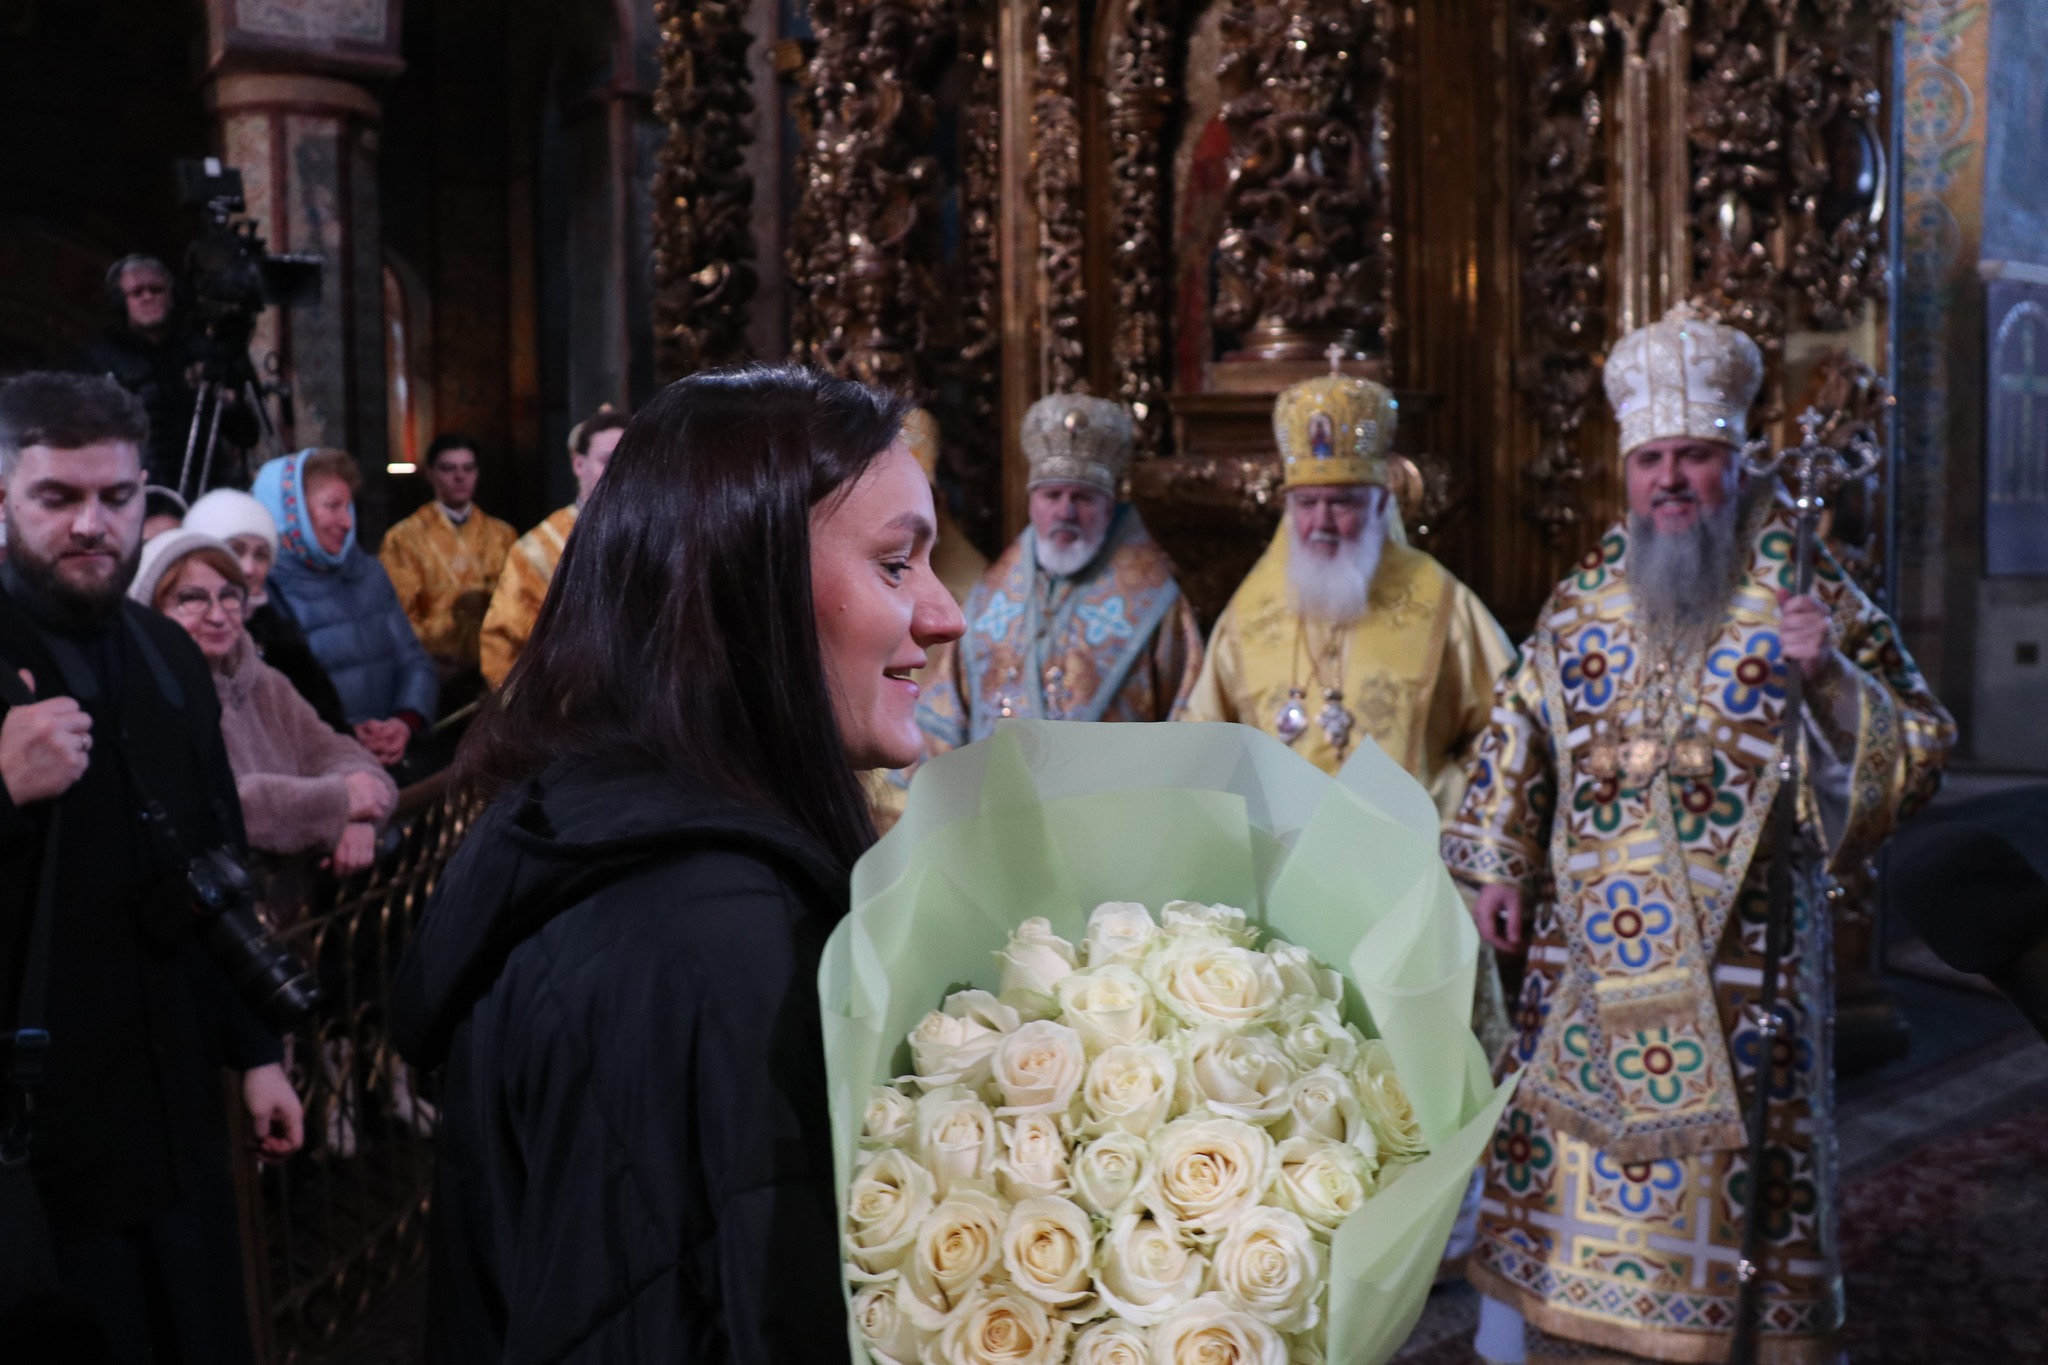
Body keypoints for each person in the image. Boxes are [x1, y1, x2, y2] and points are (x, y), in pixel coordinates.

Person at [390, 366, 963, 1361]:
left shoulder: (611, 823)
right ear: (751, 589)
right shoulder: (702, 943)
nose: (946, 613)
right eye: (894, 565)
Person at [1445, 304, 1957, 1365]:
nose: (1670, 480)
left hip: (1741, 966)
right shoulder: (1583, 595)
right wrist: (1492, 857)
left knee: (1722, 1208)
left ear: (1736, 461)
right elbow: (1517, 726)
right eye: (1651, 461)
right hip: (1583, 962)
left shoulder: (1804, 594)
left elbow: (1913, 750)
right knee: (1569, 1192)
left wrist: (1827, 677)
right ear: (1625, 473)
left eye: (1695, 457)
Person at [0, 371, 302, 1363]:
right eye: (58, 498)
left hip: (175, 1110)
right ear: (4, 495)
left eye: (117, 498)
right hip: (40, 1140)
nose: (93, 525)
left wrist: (256, 1051)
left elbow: (217, 848)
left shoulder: (167, 655)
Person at [1182, 365, 1514, 816]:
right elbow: (1202, 747)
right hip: (1279, 868)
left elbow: (1510, 726)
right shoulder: (1249, 612)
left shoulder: (1439, 601)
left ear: (1380, 503)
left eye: (1342, 503)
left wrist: (1450, 812)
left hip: (1409, 863)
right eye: (1306, 503)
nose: (1320, 522)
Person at [914, 392, 1202, 759]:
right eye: (1052, 495)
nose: (1065, 511)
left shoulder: (1157, 605)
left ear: (1109, 506)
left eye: (1082, 497)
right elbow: (943, 721)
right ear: (1032, 502)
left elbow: (1189, 724)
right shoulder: (989, 600)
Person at [130, 529, 396, 878]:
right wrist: (340, 802)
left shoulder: (261, 681)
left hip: (294, 917)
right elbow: (221, 806)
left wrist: (360, 821)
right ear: (151, 611)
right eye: (192, 598)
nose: (217, 615)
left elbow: (345, 757)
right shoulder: (145, 695)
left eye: (229, 596)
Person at [254, 449, 438, 769]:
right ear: (289, 511)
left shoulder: (368, 573)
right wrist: (344, 736)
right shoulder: (264, 591)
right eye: (332, 506)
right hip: (318, 769)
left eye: (348, 505)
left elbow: (413, 661)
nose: (347, 521)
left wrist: (403, 722)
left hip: (391, 761)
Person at [477, 405, 626, 688]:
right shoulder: (535, 551)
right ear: (579, 464)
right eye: (607, 460)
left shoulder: (662, 534)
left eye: (627, 459)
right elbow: (502, 645)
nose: (619, 471)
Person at [186, 487, 351, 734]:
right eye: (235, 550)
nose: (250, 568)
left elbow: (326, 726)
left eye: (261, 556)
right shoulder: (184, 638)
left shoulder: (281, 636)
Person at [379, 434, 516, 688]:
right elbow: (398, 616)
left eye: (468, 468)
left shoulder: (502, 535)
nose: (460, 477)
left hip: (495, 670)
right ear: (430, 473)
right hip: (433, 670)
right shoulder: (403, 538)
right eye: (448, 468)